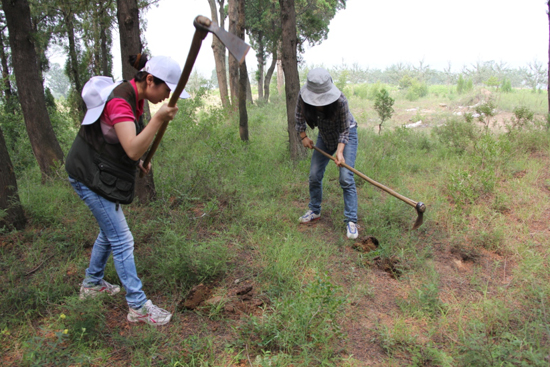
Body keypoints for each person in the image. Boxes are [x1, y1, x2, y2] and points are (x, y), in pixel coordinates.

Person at [65, 53, 188, 325]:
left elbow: (129, 146)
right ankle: (138, 307)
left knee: (110, 233)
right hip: (88, 174)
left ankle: (92, 284)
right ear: (150, 80)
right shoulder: (121, 100)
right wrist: (157, 121)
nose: (166, 97)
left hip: (98, 171)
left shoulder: (138, 98)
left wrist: (143, 160)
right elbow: (131, 148)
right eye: (166, 90)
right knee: (122, 239)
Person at [295, 68, 359, 239]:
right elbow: (299, 118)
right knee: (314, 175)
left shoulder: (340, 101)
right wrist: (303, 137)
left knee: (346, 177)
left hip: (346, 136)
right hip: (325, 136)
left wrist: (340, 152)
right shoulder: (303, 98)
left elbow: (345, 130)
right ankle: (315, 210)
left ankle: (351, 221)